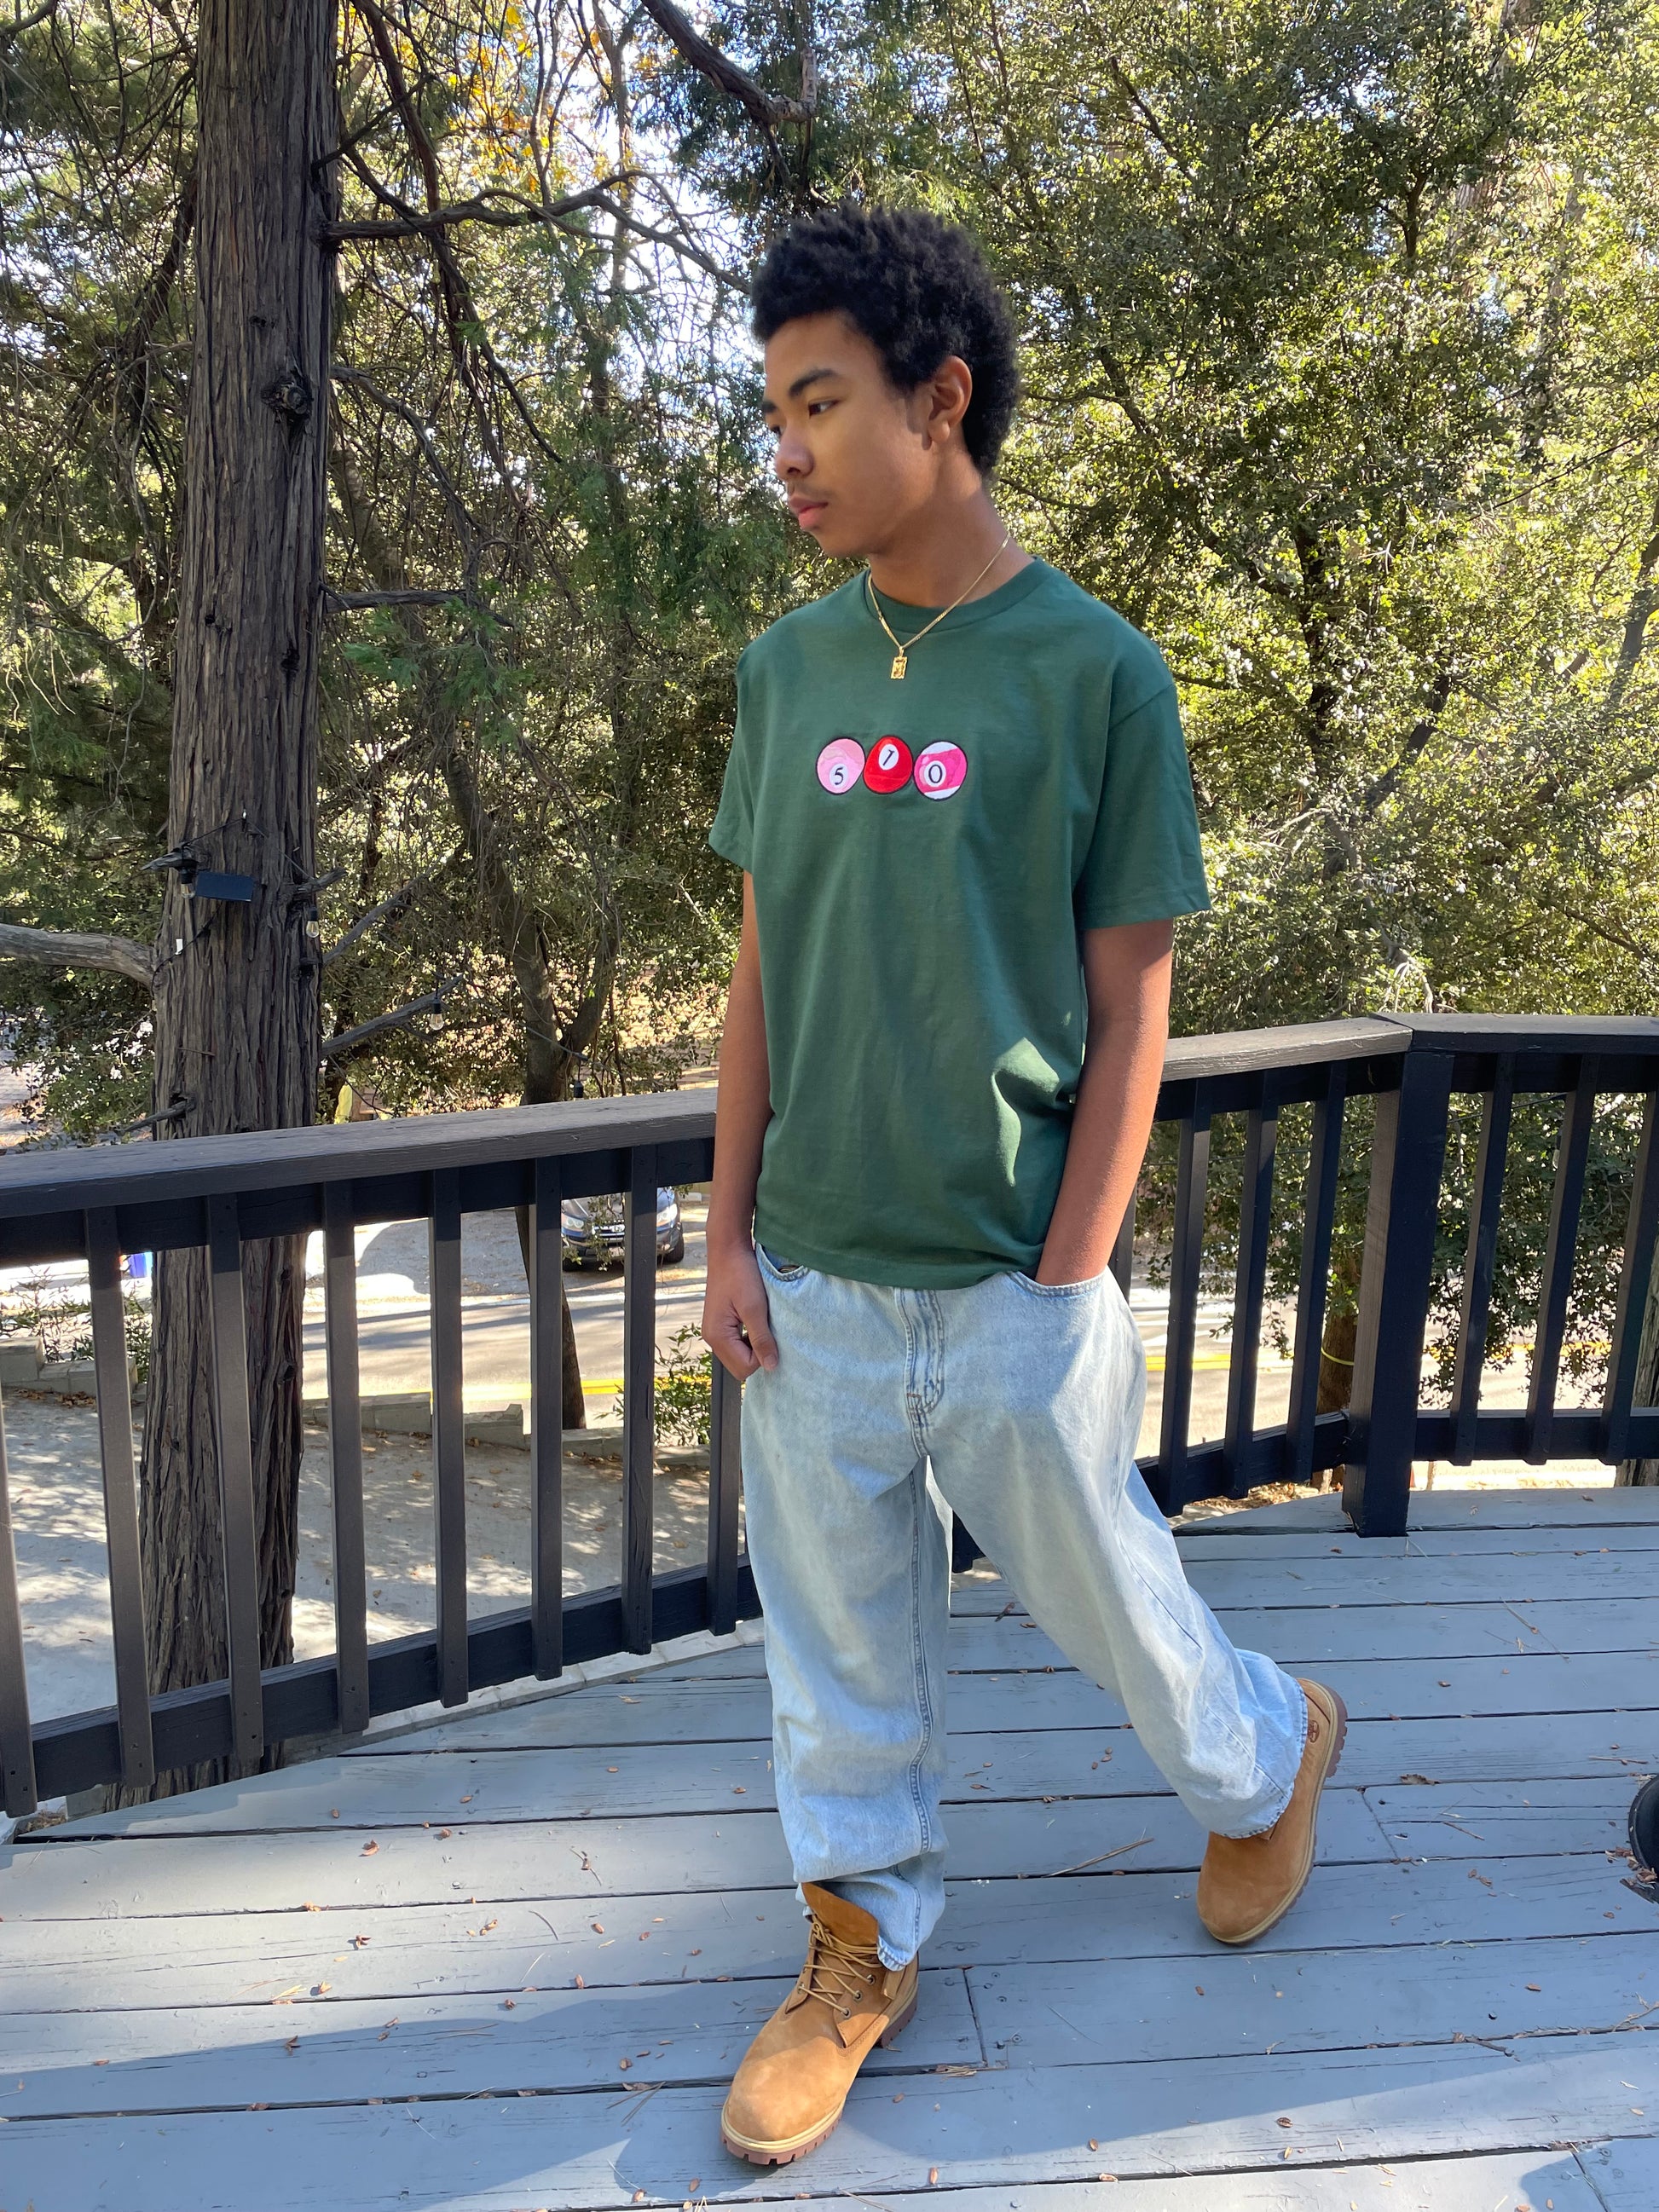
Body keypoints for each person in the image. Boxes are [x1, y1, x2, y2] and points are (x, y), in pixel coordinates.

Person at [699, 203, 1344, 2170]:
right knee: (835, 1652)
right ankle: (857, 1941)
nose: (786, 450)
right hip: (813, 1268)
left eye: (820, 402)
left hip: (1010, 1274)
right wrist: (724, 1232)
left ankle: (1266, 1750)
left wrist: (1066, 1278)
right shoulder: (785, 670)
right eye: (772, 411)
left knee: (1113, 1595)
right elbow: (758, 973)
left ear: (940, 399)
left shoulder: (1095, 673)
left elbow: (1133, 999)